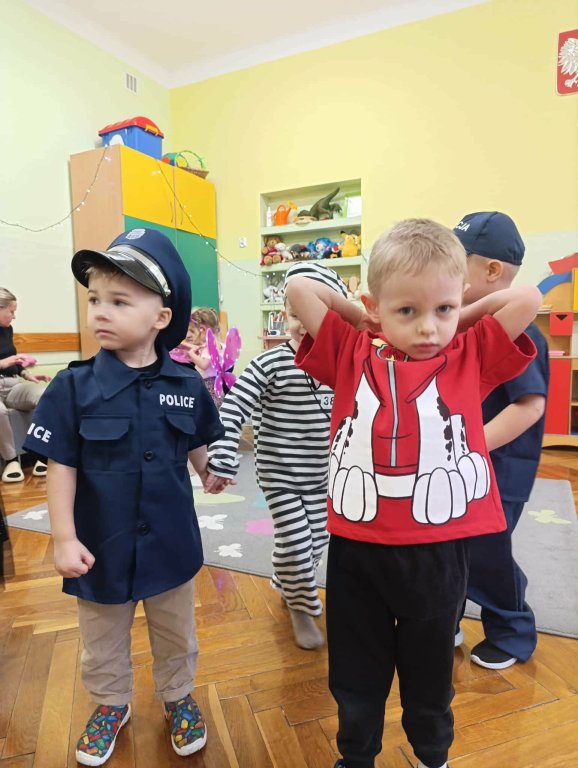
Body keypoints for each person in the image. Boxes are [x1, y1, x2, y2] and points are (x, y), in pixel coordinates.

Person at [285, 219, 541, 768]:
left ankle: (431, 755)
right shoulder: (350, 350)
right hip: (358, 551)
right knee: (355, 672)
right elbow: (300, 289)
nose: (428, 328)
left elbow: (526, 299)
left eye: (442, 309)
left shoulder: (469, 355)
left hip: (436, 553)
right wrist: (368, 317)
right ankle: (356, 756)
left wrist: (457, 314)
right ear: (377, 308)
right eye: (408, 311)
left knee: (429, 674)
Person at [23, 228, 225, 766]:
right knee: (102, 638)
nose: (100, 313)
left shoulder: (187, 384)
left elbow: (197, 443)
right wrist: (63, 539)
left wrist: (209, 473)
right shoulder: (72, 387)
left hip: (171, 544)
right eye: (94, 299)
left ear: (162, 316)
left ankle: (178, 696)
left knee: (177, 633)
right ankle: (111, 703)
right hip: (99, 546)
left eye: (119, 301)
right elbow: (60, 466)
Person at [205, 262, 347, 650]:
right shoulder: (271, 363)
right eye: (295, 314)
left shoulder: (342, 364)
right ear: (284, 315)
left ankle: (288, 584)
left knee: (314, 544)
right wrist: (223, 454)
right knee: (297, 544)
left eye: (314, 314)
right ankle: (302, 606)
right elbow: (234, 407)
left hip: (323, 478)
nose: (302, 324)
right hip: (280, 476)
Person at [452, 211, 549, 669]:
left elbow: (529, 406)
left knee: (486, 552)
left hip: (499, 469)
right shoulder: (460, 325)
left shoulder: (521, 328)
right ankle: (446, 617)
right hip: (461, 466)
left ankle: (513, 631)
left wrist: (466, 446)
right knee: (448, 545)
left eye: (454, 263)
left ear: (491, 270)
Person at [0, 287, 50, 482]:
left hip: (12, 384)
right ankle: (11, 461)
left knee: (44, 395)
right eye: (11, 311)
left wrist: (27, 374)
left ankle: (42, 455)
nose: (14, 316)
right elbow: (7, 361)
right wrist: (5, 362)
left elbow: (13, 360)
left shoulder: (7, 330)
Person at [175, 308, 225, 408]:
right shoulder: (218, 344)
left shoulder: (210, 344)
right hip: (215, 384)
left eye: (195, 330)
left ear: (203, 329)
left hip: (208, 386)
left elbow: (204, 364)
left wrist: (192, 354)